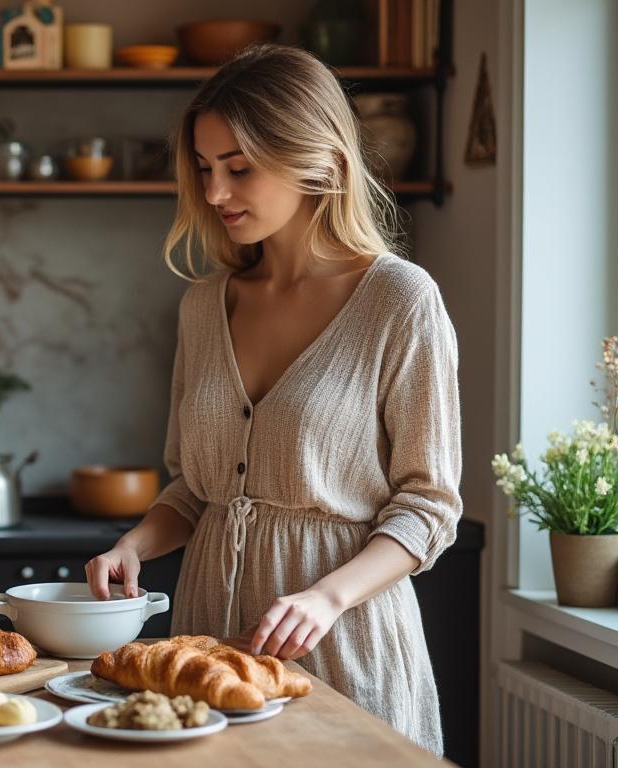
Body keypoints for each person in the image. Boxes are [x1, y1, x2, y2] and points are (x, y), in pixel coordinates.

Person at [84, 44, 461, 754]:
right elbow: (194, 490)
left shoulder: (398, 301)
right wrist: (133, 544)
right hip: (207, 648)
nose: (216, 192)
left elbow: (429, 506)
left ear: (313, 158)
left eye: (239, 168)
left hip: (343, 646)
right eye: (204, 168)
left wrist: (327, 597)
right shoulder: (203, 307)